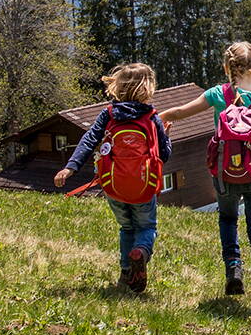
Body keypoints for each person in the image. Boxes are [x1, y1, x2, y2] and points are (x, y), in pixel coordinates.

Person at [160, 41, 251, 313]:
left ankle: (233, 267)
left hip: (224, 174)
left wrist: (157, 117)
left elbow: (182, 112)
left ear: (227, 68)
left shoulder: (218, 94)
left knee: (228, 218)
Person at [55, 63, 171, 293]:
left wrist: (70, 168)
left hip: (113, 186)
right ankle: (141, 252)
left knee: (126, 227)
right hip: (143, 186)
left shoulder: (108, 114)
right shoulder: (151, 117)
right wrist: (167, 136)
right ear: (147, 88)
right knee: (146, 226)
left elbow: (89, 140)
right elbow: (165, 154)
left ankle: (126, 273)